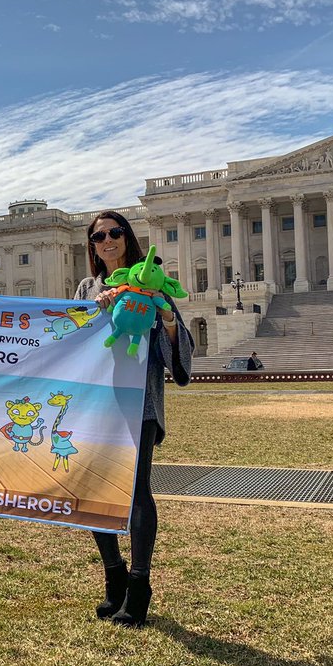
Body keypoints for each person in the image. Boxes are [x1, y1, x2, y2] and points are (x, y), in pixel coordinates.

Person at [75, 211, 194, 627]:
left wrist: (165, 318)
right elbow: (72, 343)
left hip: (139, 401)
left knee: (137, 490)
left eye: (115, 232)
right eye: (98, 236)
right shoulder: (87, 288)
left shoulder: (149, 279)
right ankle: (115, 576)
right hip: (96, 402)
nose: (107, 240)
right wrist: (93, 312)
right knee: (92, 492)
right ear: (91, 245)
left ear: (127, 237)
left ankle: (140, 584)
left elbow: (176, 352)